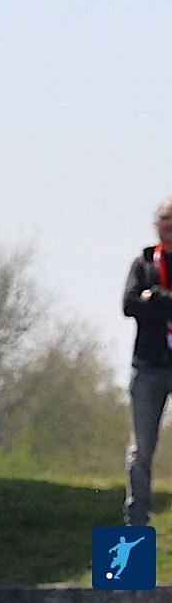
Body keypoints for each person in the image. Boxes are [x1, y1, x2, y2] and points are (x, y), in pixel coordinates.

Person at [122, 196, 172, 526]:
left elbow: (147, 302)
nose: (169, 225)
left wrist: (154, 297)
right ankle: (136, 522)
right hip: (148, 366)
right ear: (156, 225)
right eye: (165, 219)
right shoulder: (143, 263)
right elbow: (129, 303)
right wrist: (147, 297)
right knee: (141, 450)